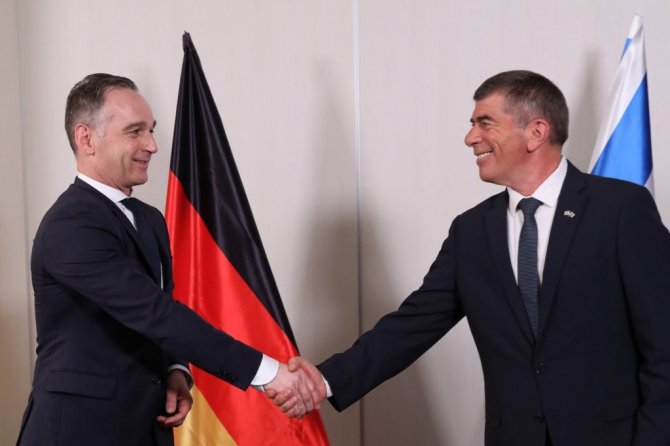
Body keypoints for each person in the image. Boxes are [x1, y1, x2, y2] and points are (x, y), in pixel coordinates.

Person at [279, 70, 670, 445]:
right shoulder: (471, 231)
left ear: (536, 132)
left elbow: (664, 344)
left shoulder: (620, 210)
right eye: (472, 124)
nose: (470, 138)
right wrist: (324, 380)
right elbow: (412, 325)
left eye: (486, 123)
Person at [16, 73, 323, 446]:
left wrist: (176, 369)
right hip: (77, 430)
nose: (152, 145)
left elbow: (165, 304)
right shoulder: (71, 224)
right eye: (135, 131)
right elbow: (154, 314)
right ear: (86, 139)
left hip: (148, 424)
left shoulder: (149, 219)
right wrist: (269, 373)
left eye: (151, 130)